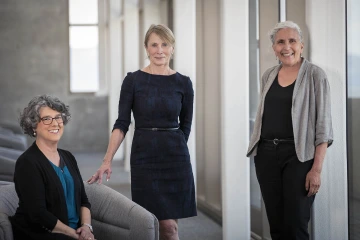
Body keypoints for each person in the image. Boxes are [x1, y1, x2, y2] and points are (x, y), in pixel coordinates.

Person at [87, 24, 197, 240]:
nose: (159, 50)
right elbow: (121, 123)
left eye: (165, 44)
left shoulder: (183, 83)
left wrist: (173, 145)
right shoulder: (133, 81)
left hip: (175, 158)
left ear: (172, 48)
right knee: (150, 222)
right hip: (144, 157)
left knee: (170, 227)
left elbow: (185, 124)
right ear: (146, 48)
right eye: (154, 45)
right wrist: (107, 160)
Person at [247, 21, 333, 240]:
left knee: (295, 225)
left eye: (292, 41)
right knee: (276, 225)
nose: (287, 47)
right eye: (280, 42)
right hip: (266, 155)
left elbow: (323, 126)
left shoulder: (315, 75)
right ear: (274, 48)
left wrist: (316, 170)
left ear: (301, 45)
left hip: (299, 157)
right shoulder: (268, 75)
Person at [9, 95, 95, 240]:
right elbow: (38, 214)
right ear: (34, 125)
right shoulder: (27, 163)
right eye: (47, 119)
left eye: (58, 117)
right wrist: (74, 235)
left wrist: (86, 227)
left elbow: (83, 201)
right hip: (42, 233)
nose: (55, 123)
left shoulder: (68, 157)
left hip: (74, 233)